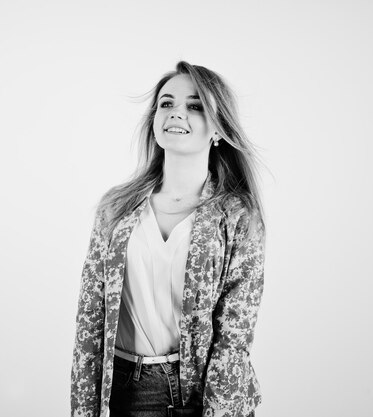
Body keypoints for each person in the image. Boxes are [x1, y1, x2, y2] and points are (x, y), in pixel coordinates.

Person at [71, 61, 266, 417]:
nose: (177, 113)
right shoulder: (116, 208)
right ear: (155, 120)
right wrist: (84, 409)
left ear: (218, 129)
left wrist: (217, 411)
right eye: (166, 103)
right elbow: (89, 322)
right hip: (122, 390)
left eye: (195, 106)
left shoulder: (238, 216)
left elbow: (233, 338)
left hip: (198, 391)